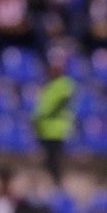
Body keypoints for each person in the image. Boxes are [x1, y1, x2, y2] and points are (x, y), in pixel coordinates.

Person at [31, 49, 75, 186]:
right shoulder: (49, 85)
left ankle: (58, 185)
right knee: (47, 162)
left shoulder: (65, 85)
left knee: (55, 161)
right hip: (44, 130)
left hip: (56, 131)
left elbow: (50, 106)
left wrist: (38, 114)